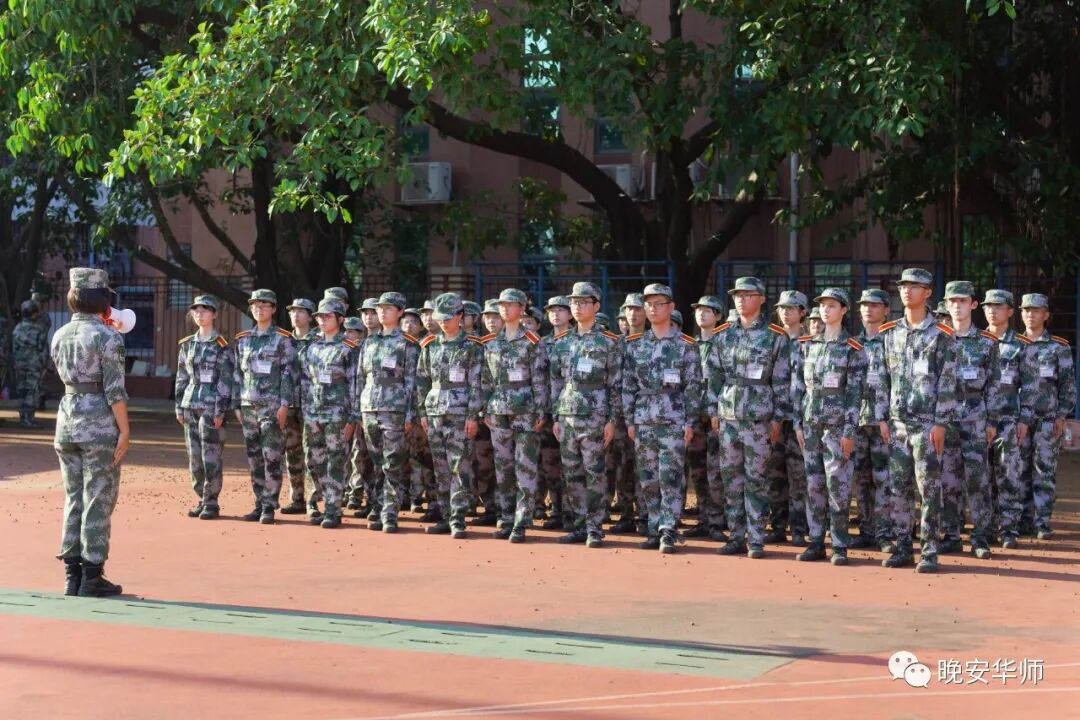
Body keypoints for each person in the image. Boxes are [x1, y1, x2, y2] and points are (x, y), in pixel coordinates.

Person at [874, 268, 958, 573]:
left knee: (929, 489)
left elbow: (948, 381)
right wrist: (881, 417)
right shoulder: (889, 332)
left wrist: (940, 422)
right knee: (899, 487)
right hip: (897, 424)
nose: (907, 291)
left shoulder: (942, 334)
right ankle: (902, 548)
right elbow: (881, 377)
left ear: (928, 292)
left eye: (914, 286)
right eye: (903, 286)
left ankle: (929, 551)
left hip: (926, 424)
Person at [52, 267, 130, 597]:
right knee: (98, 497)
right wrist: (124, 430)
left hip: (67, 419)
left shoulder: (59, 334)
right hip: (98, 423)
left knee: (73, 497)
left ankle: (72, 576)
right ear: (102, 299)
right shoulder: (108, 337)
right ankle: (92, 576)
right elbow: (115, 390)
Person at [707, 277, 791, 559]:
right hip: (729, 416)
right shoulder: (722, 334)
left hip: (759, 418)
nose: (741, 300)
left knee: (757, 480)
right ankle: (736, 537)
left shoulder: (775, 336)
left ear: (762, 299)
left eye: (748, 295)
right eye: (738, 295)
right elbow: (714, 376)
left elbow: (781, 380)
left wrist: (778, 418)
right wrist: (713, 411)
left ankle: (756, 538)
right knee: (731, 479)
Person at [623, 283, 701, 553]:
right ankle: (654, 526)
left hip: (673, 420)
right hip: (643, 420)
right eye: (649, 304)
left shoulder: (685, 345)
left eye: (659, 304)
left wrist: (690, 422)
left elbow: (693, 387)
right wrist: (630, 420)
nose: (653, 309)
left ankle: (668, 529)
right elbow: (628, 386)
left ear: (671, 307)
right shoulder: (635, 345)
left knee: (670, 477)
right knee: (647, 478)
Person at [791, 289, 867, 565]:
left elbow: (855, 394)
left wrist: (849, 430)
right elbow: (798, 387)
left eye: (832, 305)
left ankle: (839, 544)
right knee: (814, 484)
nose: (825, 310)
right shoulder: (807, 344)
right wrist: (798, 423)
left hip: (837, 426)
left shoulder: (853, 348)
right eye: (822, 305)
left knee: (838, 485)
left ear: (844, 310)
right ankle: (815, 541)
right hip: (811, 423)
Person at [550, 282, 623, 548]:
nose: (577, 307)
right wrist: (556, 416)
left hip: (595, 416)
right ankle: (579, 525)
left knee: (595, 474)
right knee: (572, 474)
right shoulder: (562, 342)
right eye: (574, 302)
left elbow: (616, 384)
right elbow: (556, 382)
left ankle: (595, 527)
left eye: (583, 302)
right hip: (568, 415)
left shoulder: (609, 342)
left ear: (596, 306)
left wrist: (612, 420)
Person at [480, 288, 549, 543]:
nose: (505, 309)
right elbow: (486, 379)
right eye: (502, 305)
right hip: (498, 410)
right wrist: (485, 408)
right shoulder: (491, 342)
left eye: (511, 305)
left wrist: (541, 409)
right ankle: (506, 517)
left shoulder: (532, 340)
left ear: (521, 309)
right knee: (503, 467)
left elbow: (540, 378)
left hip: (525, 410)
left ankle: (522, 521)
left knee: (525, 467)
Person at [415, 293, 484, 538]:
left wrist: (473, 415)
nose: (443, 322)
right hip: (435, 413)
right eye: (440, 318)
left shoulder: (472, 346)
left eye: (448, 317)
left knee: (459, 467)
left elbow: (477, 383)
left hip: (460, 414)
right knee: (441, 467)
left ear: (460, 316)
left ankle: (458, 519)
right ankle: (445, 516)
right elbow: (422, 380)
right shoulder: (430, 345)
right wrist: (422, 412)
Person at [940, 281, 1000, 559]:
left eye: (962, 301)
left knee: (977, 480)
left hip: (975, 420)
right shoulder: (938, 338)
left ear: (973, 304)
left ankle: (980, 537)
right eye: (952, 301)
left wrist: (992, 422)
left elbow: (995, 386)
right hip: (945, 419)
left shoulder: (987, 342)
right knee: (948, 480)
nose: (957, 306)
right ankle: (951, 536)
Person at [231, 289, 297, 524]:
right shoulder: (243, 339)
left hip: (272, 406)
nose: (259, 309)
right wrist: (236, 404)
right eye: (255, 305)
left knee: (272, 456)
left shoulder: (283, 338)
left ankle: (269, 505)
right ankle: (259, 503)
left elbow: (289, 374)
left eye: (265, 305)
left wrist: (284, 404)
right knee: (254, 457)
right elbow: (237, 373)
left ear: (274, 309)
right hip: (248, 406)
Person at [358, 291, 419, 532]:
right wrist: (358, 409)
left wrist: (410, 414)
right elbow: (360, 378)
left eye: (389, 308)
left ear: (400, 312)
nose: (382, 312)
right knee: (375, 462)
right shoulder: (369, 342)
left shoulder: (407, 344)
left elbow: (412, 382)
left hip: (395, 409)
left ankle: (390, 513)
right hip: (369, 407)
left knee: (392, 462)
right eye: (380, 308)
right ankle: (377, 506)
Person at [1018, 293, 1075, 540]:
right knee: (1018, 471)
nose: (1030, 314)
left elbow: (1067, 386)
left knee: (1044, 472)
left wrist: (1062, 415)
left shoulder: (1058, 347)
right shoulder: (1013, 345)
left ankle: (1041, 522)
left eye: (1036, 310)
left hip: (1047, 420)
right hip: (1018, 421)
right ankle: (1022, 520)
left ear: (1046, 315)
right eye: (1026, 310)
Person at [298, 298, 360, 528]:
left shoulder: (349, 348)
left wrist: (353, 417)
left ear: (340, 319)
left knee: (336, 461)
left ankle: (333, 509)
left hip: (337, 414)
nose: (322, 320)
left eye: (327, 316)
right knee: (314, 460)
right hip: (313, 413)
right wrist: (306, 410)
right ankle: (318, 503)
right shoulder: (311, 347)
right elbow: (306, 381)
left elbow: (355, 384)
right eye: (319, 317)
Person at [175, 295, 233, 520]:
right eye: (196, 310)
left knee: (211, 456)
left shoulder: (221, 345)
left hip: (211, 405)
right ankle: (201, 497)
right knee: (194, 457)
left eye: (205, 310)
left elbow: (225, 379)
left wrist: (220, 410)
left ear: (214, 314)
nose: (200, 314)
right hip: (191, 403)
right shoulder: (187, 344)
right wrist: (179, 405)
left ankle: (211, 501)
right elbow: (182, 376)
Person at [981, 289, 1029, 548]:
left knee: (1009, 475)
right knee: (983, 478)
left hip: (1008, 420)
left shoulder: (1021, 345)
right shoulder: (976, 342)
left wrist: (1024, 419)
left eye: (998, 307)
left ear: (1010, 311)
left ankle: (1009, 529)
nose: (992, 311)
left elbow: (1029, 386)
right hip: (978, 421)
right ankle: (987, 528)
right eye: (988, 306)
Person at [765, 290, 810, 546]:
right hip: (773, 417)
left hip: (799, 418)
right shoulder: (770, 340)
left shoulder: (810, 342)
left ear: (802, 312)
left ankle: (799, 528)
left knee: (799, 476)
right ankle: (777, 525)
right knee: (774, 474)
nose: (785, 313)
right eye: (782, 308)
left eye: (791, 308)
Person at [852, 288, 892, 551]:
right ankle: (866, 529)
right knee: (861, 478)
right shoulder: (851, 343)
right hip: (857, 419)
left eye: (875, 305)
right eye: (865, 305)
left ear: (886, 310)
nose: (869, 309)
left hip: (884, 420)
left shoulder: (892, 341)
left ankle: (885, 533)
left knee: (884, 477)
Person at [685, 295, 727, 540]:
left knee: (716, 471)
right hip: (694, 415)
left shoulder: (724, 344)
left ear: (718, 316)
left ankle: (718, 521)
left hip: (717, 417)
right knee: (698, 470)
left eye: (708, 310)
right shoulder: (690, 345)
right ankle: (703, 518)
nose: (701, 313)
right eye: (698, 309)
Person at [609, 293, 645, 534]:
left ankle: (645, 515)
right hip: (619, 414)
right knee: (622, 465)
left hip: (646, 413)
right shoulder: (615, 343)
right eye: (628, 309)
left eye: (637, 309)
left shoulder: (653, 341)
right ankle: (625, 514)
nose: (632, 313)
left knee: (645, 465)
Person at [539, 295, 572, 529]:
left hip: (572, 411)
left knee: (572, 465)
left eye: (561, 310)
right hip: (548, 412)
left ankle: (573, 513)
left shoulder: (576, 341)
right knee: (550, 464)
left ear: (569, 314)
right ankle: (557, 510)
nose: (556, 314)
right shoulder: (541, 343)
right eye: (552, 310)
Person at [282, 298, 317, 515]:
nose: (295, 315)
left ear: (311, 316)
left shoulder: (318, 340)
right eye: (292, 311)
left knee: (312, 452)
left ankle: (313, 501)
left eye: (301, 311)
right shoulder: (283, 341)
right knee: (292, 451)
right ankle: (297, 498)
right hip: (289, 404)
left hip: (312, 404)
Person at [471, 300, 504, 525]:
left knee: (504, 463)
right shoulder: (479, 345)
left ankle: (506, 510)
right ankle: (490, 506)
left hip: (505, 413)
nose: (491, 320)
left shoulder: (520, 343)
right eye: (487, 316)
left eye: (495, 316)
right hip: (482, 413)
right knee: (483, 463)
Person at [12, 300, 49, 428]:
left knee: (21, 390)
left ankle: (23, 417)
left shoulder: (17, 328)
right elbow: (43, 349)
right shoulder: (39, 329)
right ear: (34, 313)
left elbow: (14, 348)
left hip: (19, 364)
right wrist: (44, 365)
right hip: (34, 365)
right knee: (32, 391)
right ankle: (28, 419)